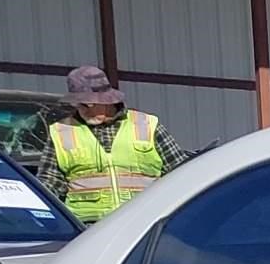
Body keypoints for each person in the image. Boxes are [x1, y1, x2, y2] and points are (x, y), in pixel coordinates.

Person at [39, 66, 190, 224]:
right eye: (79, 104)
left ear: (108, 100)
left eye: (88, 104)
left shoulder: (146, 124)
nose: (83, 110)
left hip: (146, 223)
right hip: (88, 229)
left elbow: (180, 172)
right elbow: (49, 183)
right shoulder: (62, 131)